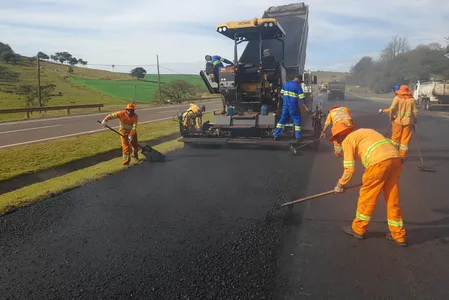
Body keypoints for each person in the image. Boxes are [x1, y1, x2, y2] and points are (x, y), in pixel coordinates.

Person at [329, 122, 406, 247]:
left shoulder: (347, 141)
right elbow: (389, 142)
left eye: (336, 139)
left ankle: (358, 229)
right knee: (392, 199)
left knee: (367, 198)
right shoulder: (365, 131)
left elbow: (349, 169)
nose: (337, 142)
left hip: (378, 164)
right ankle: (398, 235)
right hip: (396, 159)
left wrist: (340, 184)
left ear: (341, 135)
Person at [381, 85, 418, 159]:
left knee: (395, 139)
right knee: (405, 140)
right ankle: (402, 156)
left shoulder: (397, 98)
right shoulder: (412, 100)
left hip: (397, 122)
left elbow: (392, 109)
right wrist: (415, 122)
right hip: (408, 123)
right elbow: (415, 113)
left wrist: (391, 118)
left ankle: (394, 154)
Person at [273, 75, 310, 140]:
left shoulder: (285, 84)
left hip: (285, 106)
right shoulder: (297, 86)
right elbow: (302, 99)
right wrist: (306, 108)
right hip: (293, 106)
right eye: (300, 81)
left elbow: (281, 94)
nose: (300, 83)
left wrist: (285, 100)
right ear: (298, 79)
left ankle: (276, 135)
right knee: (297, 120)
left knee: (282, 120)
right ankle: (298, 137)